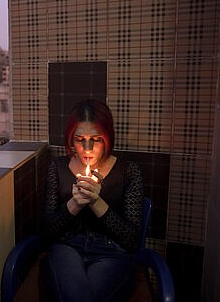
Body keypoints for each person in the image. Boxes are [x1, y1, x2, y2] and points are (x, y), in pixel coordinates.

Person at [41, 99, 143, 302]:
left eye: (95, 139)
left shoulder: (128, 171)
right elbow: (45, 234)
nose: (87, 148)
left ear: (107, 138)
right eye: (80, 139)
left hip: (112, 253)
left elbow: (133, 240)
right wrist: (75, 204)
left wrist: (96, 202)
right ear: (71, 139)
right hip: (66, 248)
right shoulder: (58, 168)